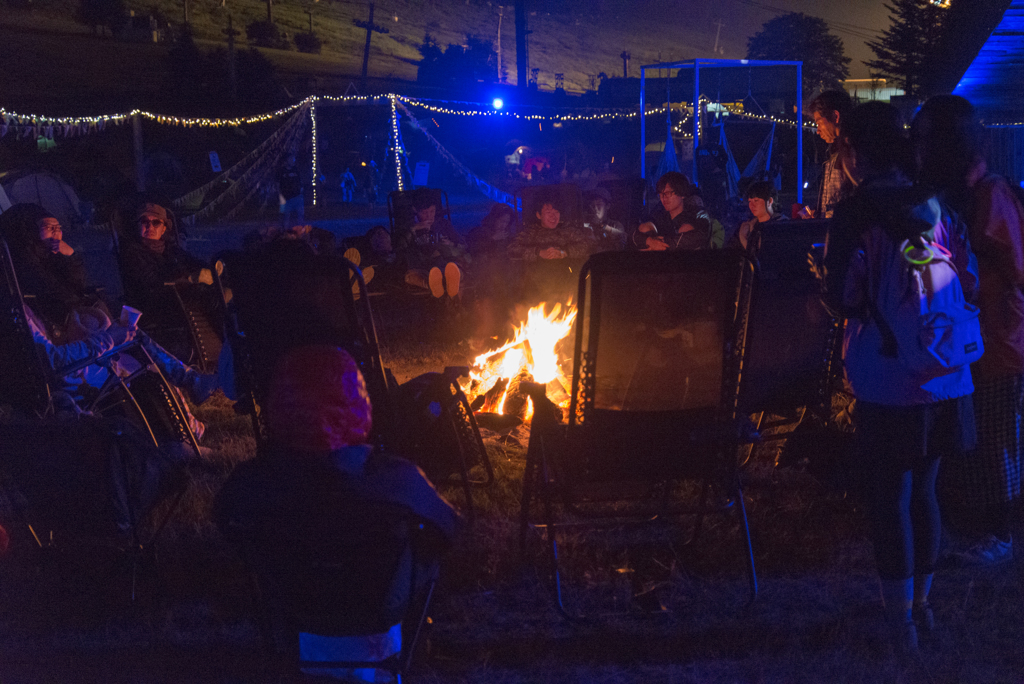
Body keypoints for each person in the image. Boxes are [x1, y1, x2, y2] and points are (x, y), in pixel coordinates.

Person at [822, 101, 978, 654]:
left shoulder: (855, 214)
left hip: (887, 378)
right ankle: (925, 607)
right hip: (946, 374)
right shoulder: (938, 205)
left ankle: (900, 626)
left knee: (890, 498)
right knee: (926, 493)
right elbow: (972, 279)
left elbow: (842, 299)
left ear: (854, 155)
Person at [214, 345, 456, 681]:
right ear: (357, 402)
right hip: (380, 608)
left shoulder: (253, 484)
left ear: (279, 405)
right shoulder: (398, 481)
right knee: (423, 554)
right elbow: (449, 530)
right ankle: (407, 647)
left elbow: (226, 524)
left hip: (295, 607)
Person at [913, 95, 1024, 567]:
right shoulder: (968, 190)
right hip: (980, 334)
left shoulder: (989, 192)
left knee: (996, 435)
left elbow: (1011, 265)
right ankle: (985, 526)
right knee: (983, 434)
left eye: (922, 140)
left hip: (998, 336)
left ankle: (999, 532)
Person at [0, 203, 107, 329]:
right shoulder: (22, 260)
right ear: (31, 230)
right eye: (49, 228)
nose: (56, 232)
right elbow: (49, 290)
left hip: (71, 312)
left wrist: (70, 255)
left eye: (58, 227)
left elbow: (79, 285)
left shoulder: (55, 255)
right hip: (48, 319)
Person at [508, 192, 595, 303]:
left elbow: (587, 245)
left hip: (567, 285)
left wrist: (565, 252)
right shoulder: (531, 233)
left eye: (556, 212)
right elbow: (512, 249)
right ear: (538, 215)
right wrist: (539, 252)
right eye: (548, 212)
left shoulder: (567, 230)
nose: (553, 216)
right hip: (535, 288)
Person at [396, 191, 468, 299]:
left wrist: (450, 244)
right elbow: (398, 248)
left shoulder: (443, 224)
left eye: (432, 211)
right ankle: (435, 285)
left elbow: (463, 245)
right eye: (424, 213)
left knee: (455, 270)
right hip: (422, 267)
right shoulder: (408, 227)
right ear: (415, 210)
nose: (429, 216)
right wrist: (413, 230)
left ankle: (445, 283)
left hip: (445, 264)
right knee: (412, 276)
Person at [802, 90, 853, 220]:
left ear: (836, 116)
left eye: (819, 122)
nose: (817, 131)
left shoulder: (854, 153)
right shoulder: (834, 153)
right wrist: (819, 213)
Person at [633, 172, 714, 250]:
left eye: (668, 193)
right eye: (661, 194)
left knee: (686, 229)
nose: (664, 198)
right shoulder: (658, 213)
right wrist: (650, 241)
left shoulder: (697, 212)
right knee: (645, 227)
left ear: (682, 193)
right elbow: (634, 234)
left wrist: (662, 244)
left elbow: (700, 235)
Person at [731, 180, 787, 253]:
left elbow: (764, 256)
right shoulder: (749, 225)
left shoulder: (782, 225)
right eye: (750, 201)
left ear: (769, 201)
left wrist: (743, 237)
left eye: (756, 201)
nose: (751, 205)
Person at [583, 187, 627, 252]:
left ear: (608, 206)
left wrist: (600, 225)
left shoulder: (615, 225)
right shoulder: (585, 224)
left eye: (599, 204)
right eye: (592, 205)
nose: (595, 208)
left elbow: (618, 249)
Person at [278, 154, 304, 230]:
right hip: (286, 197)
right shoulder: (282, 171)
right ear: (287, 160)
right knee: (286, 216)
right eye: (291, 159)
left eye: (293, 159)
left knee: (300, 215)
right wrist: (280, 196)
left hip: (297, 196)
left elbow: (300, 181)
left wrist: (301, 191)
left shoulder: (296, 169)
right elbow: (278, 184)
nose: (293, 161)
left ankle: (299, 232)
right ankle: (285, 232)